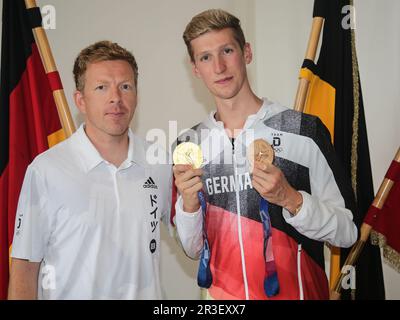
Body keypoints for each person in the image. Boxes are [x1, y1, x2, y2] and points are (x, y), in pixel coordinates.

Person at [173, 9, 358, 300]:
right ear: (195, 68)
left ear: (246, 53)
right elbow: (193, 248)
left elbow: (348, 231)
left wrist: (291, 199)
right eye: (206, 57)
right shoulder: (189, 144)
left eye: (227, 50)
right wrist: (188, 205)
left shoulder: (303, 130)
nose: (219, 66)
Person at [8, 41, 172, 299]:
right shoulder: (46, 170)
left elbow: (193, 244)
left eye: (125, 86)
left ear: (136, 95)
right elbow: (24, 270)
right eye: (101, 87)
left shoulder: (160, 162)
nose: (115, 98)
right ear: (81, 100)